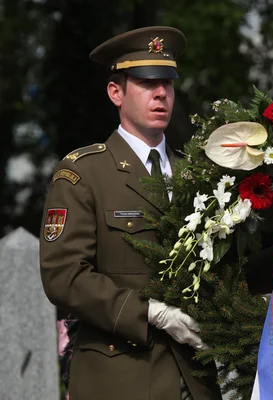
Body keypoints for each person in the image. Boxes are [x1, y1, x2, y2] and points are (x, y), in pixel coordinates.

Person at [39, 26, 220, 400]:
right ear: (115, 93)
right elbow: (63, 275)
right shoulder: (83, 173)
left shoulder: (195, 174)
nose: (160, 93)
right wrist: (150, 312)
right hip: (120, 376)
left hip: (193, 379)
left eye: (167, 82)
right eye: (145, 82)